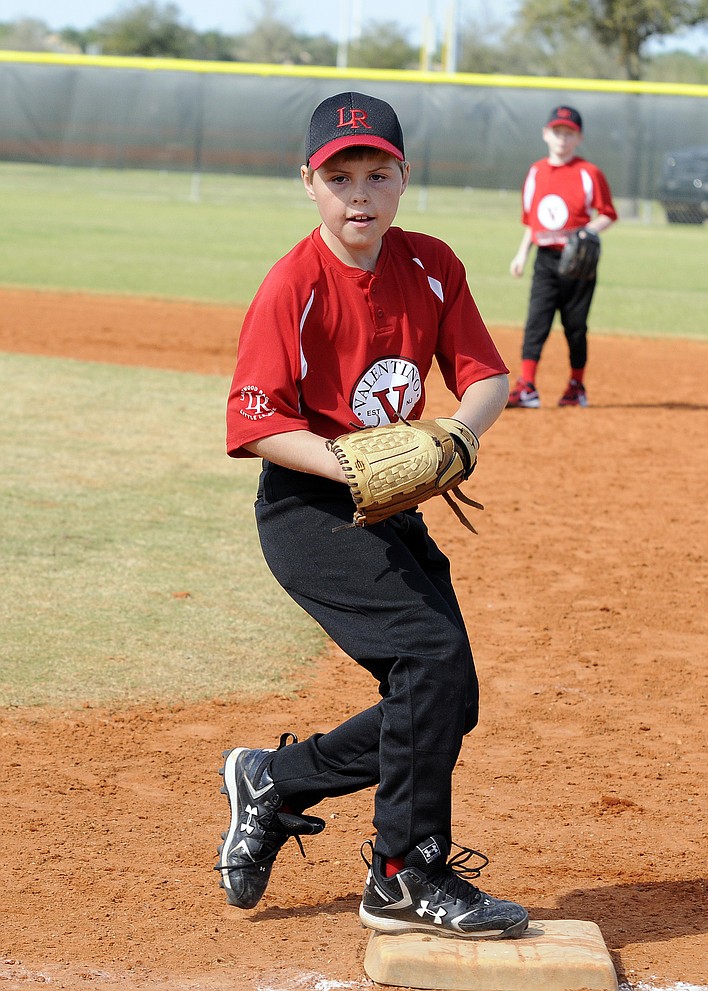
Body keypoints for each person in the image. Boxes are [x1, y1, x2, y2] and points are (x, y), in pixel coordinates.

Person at [216, 91, 529, 941]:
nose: (359, 192)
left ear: (401, 178)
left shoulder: (431, 264)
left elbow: (487, 377)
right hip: (309, 509)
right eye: (339, 176)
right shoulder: (294, 283)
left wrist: (459, 433)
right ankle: (403, 872)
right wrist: (352, 461)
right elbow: (256, 423)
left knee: (443, 696)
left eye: (376, 173)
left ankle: (277, 779)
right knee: (431, 657)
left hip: (392, 507)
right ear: (309, 185)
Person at [507, 104, 618, 409]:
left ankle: (576, 386)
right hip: (545, 259)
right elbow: (532, 222)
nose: (562, 139)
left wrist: (586, 232)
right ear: (546, 134)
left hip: (578, 262)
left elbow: (608, 214)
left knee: (575, 326)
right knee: (536, 322)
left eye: (569, 133)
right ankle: (527, 386)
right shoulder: (536, 172)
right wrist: (521, 255)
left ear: (578, 137)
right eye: (557, 132)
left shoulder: (588, 173)